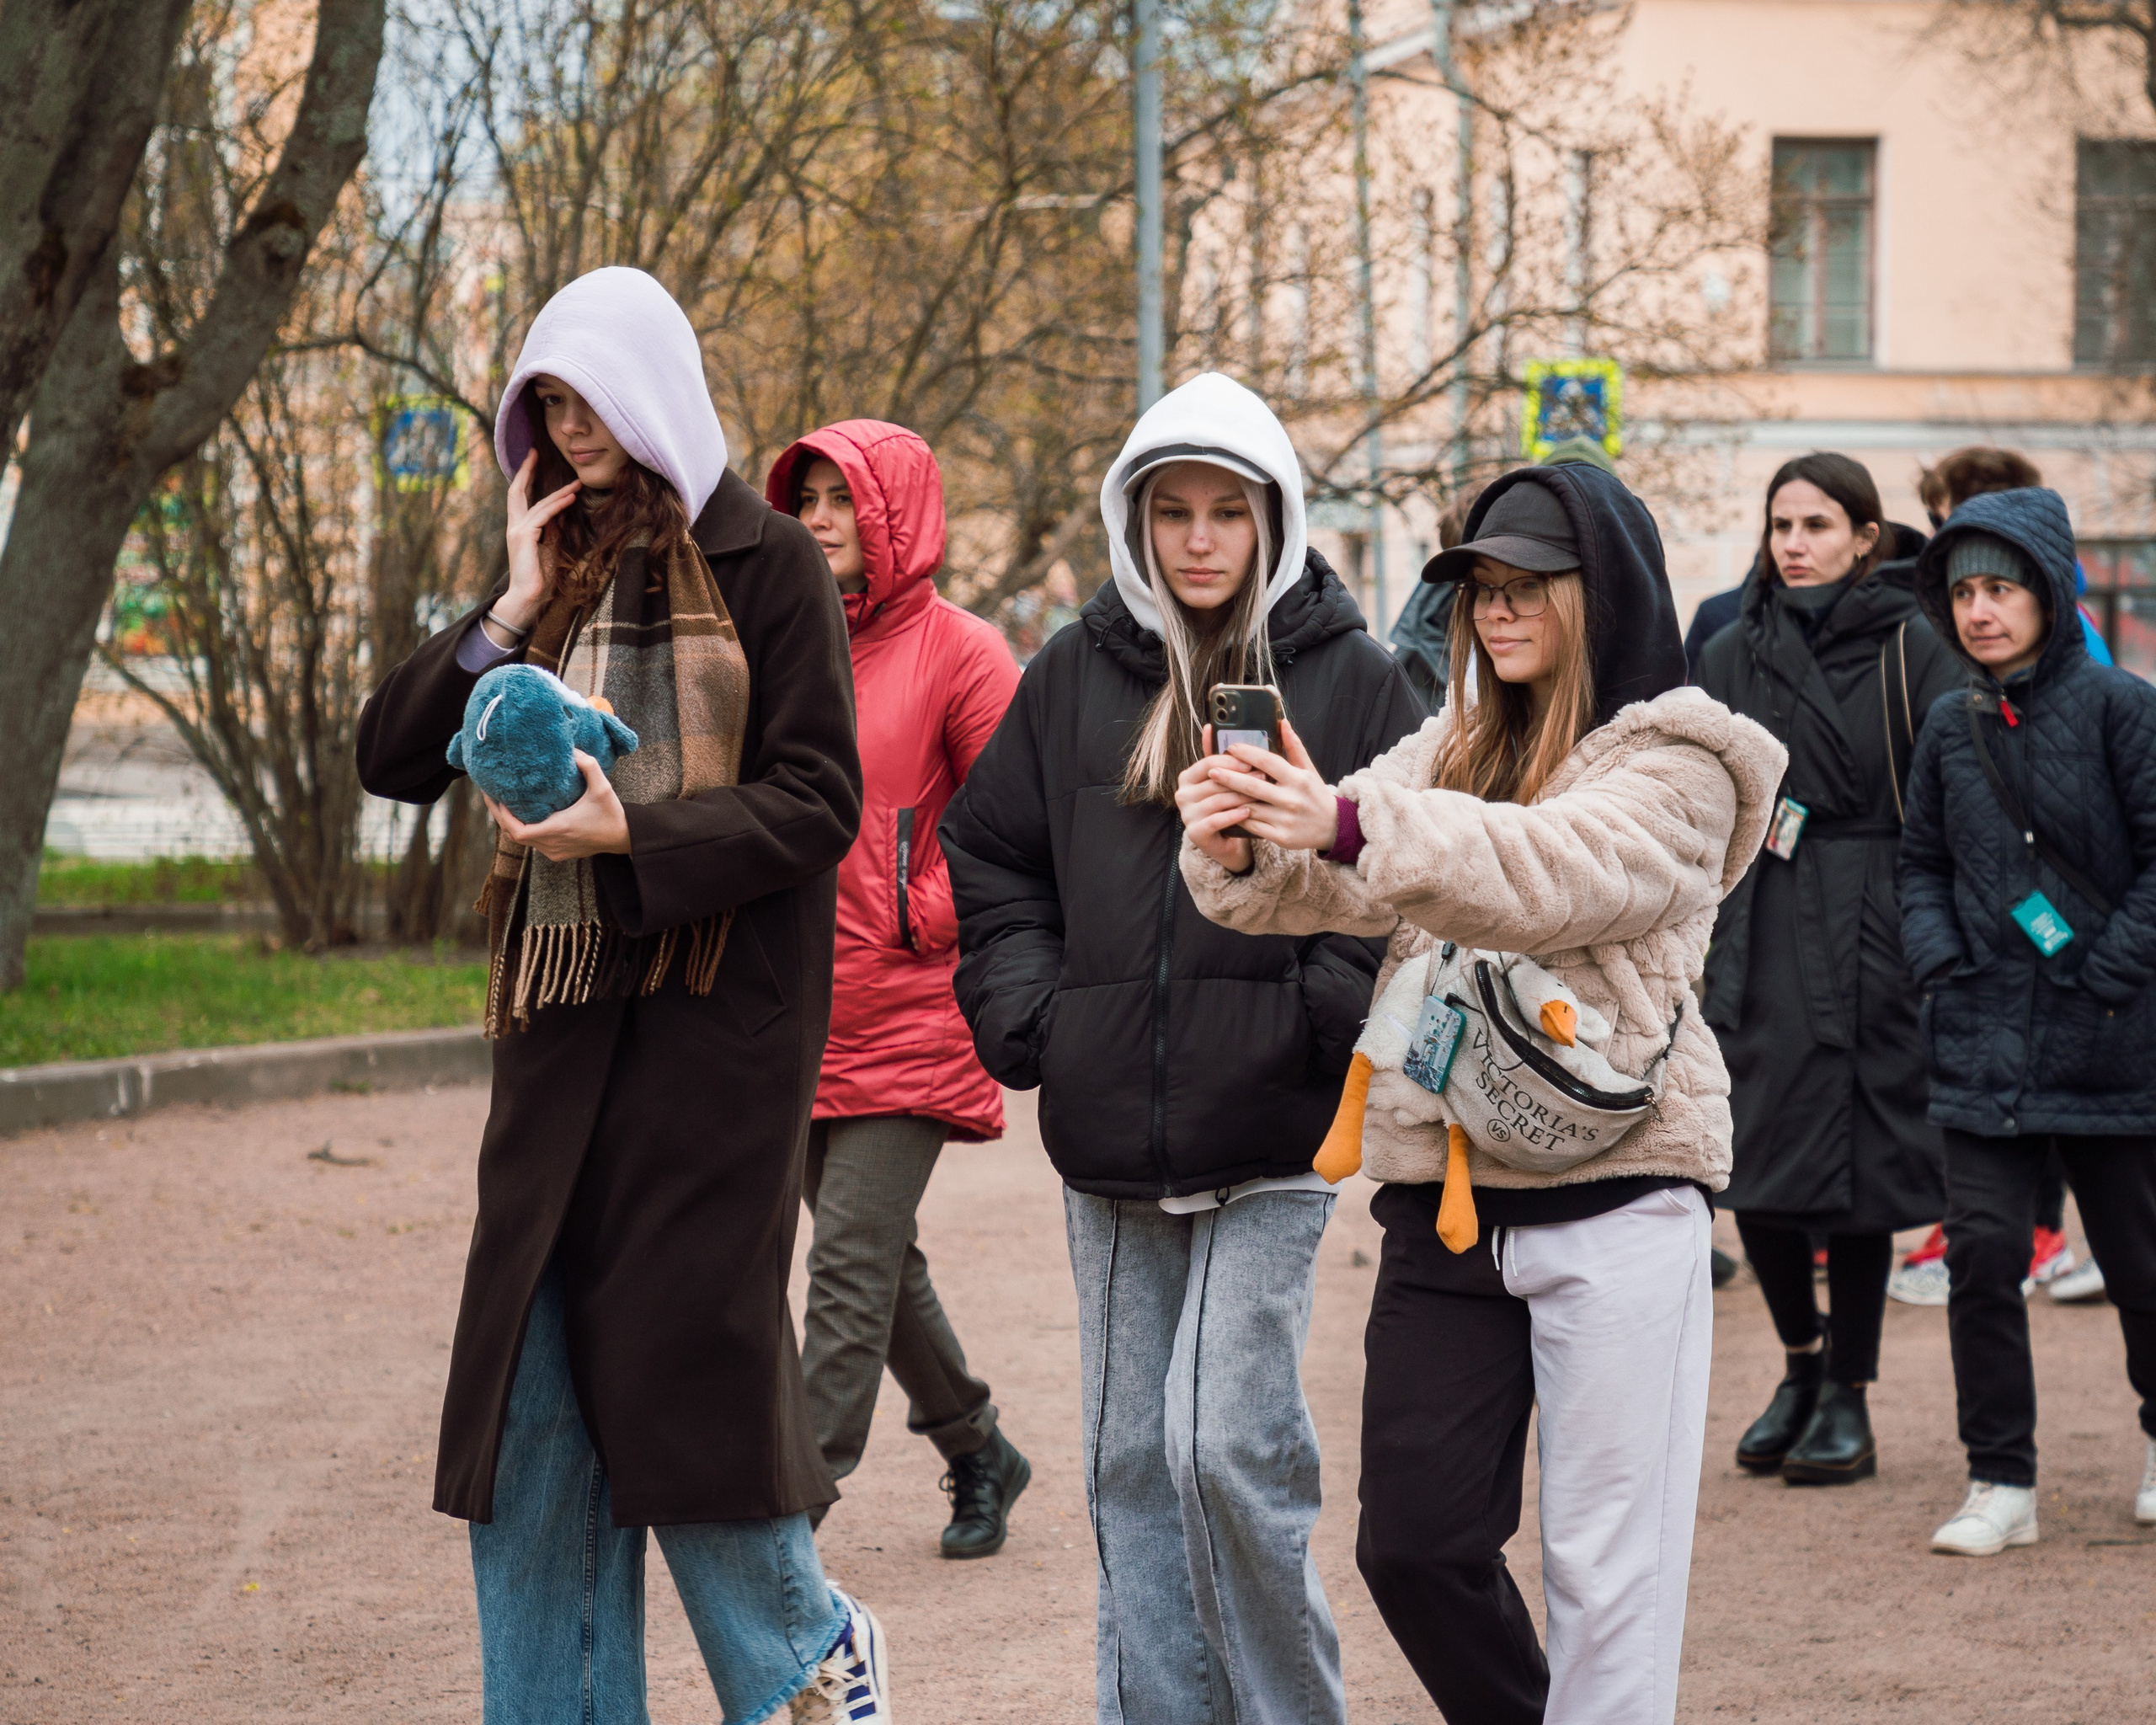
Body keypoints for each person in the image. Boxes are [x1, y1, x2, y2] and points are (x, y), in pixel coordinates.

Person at [355, 267, 889, 1723]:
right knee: (535, 1439)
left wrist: (626, 834)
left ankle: (808, 1664)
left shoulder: (769, 561)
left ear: (653, 391)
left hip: (715, 1055)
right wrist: (509, 604)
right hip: (559, 1046)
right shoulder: (557, 575)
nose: (571, 429)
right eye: (548, 404)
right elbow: (394, 754)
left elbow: (817, 802)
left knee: (687, 1410)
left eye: (589, 397)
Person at [1177, 462, 1785, 1725]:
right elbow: (1339, 879)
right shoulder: (1456, 740)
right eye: (1479, 589)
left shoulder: (1686, 762)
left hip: (1620, 1196)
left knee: (1607, 1581)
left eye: (1526, 588)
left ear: (1599, 593)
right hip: (1449, 1204)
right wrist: (1246, 837)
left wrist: (1348, 823)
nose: (1496, 613)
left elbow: (1549, 871)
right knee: (1412, 1549)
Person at [941, 371, 1425, 1724]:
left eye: (1227, 512)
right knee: (1129, 1466)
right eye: (1173, 513)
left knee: (1224, 1449)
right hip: (1107, 1143)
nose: (1199, 541)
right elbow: (990, 853)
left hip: (1275, 1135)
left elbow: (1399, 876)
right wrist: (1036, 1020)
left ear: (1274, 519)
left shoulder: (1350, 674)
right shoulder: (1073, 672)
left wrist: (1321, 1018)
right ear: (1136, 522)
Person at [761, 419, 1031, 1558]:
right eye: (805, 496)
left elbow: (1019, 829)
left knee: (851, 1260)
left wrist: (921, 907)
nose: (816, 516)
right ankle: (978, 1447)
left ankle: (788, 1514)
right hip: (797, 1008)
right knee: (878, 1259)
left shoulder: (964, 655)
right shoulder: (777, 642)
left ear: (892, 518)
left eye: (839, 499)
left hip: (917, 1006)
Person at [1900, 483, 2156, 1553]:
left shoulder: (2121, 707)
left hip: (2110, 1036)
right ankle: (1999, 1479)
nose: (1979, 610)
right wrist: (1941, 961)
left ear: (2048, 592)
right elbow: (1919, 861)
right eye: (1963, 592)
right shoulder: (1950, 725)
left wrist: (2107, 971)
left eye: (2000, 588)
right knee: (1983, 1261)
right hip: (1982, 1035)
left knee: (2141, 1261)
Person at [1696, 454, 1959, 1484]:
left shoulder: (1917, 641)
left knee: (1855, 1168)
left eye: (1816, 524)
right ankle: (1798, 1364)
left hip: (1874, 917)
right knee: (1755, 1151)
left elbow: (1945, 786)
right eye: (1780, 524)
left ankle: (1849, 1386)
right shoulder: (1726, 649)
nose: (1794, 542)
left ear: (1864, 536)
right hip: (1757, 914)